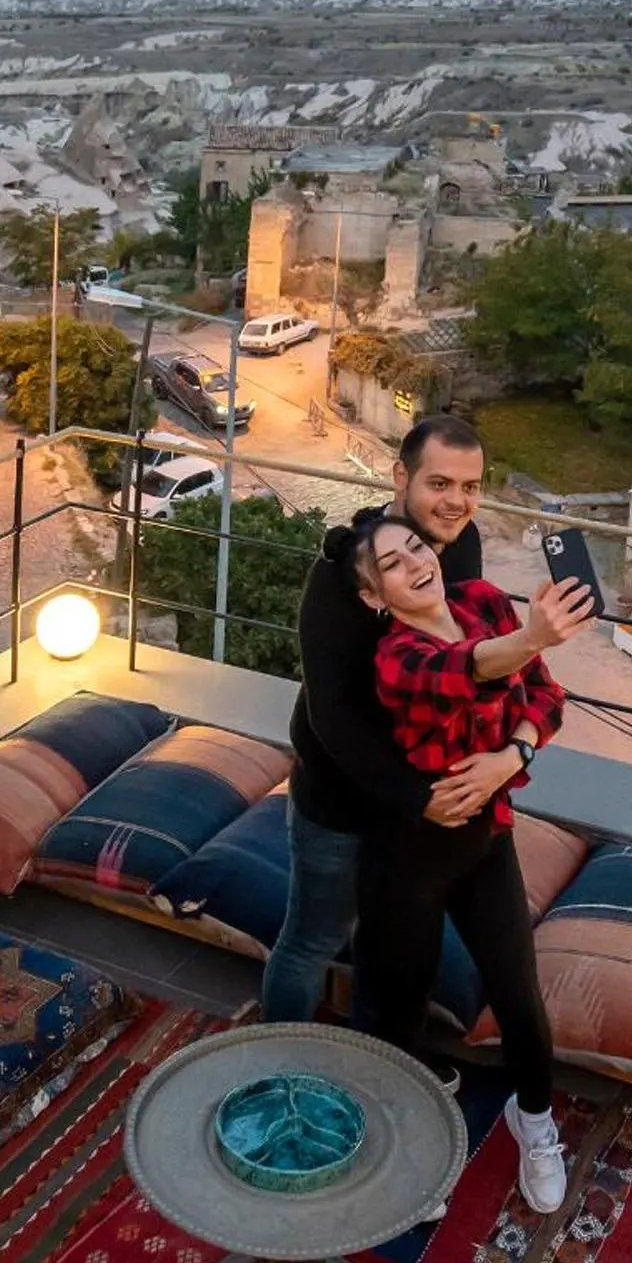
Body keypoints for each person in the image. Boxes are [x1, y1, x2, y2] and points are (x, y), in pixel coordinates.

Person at [353, 510, 591, 1211]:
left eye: (416, 547)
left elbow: (547, 696)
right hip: (408, 857)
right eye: (392, 564)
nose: (416, 562)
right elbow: (468, 669)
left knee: (519, 995)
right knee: (401, 1012)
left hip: (486, 840)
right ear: (375, 596)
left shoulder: (483, 601)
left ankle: (536, 1121)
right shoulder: (395, 656)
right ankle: (408, 1151)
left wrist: (507, 759)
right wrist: (530, 638)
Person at [264, 415, 507, 1023]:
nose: (456, 502)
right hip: (346, 799)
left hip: (419, 801)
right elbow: (332, 715)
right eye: (440, 484)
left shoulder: (463, 546)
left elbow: (467, 663)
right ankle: (271, 1059)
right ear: (402, 477)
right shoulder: (341, 575)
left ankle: (371, 1064)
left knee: (385, 945)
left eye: (471, 487)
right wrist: (416, 795)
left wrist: (504, 757)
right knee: (312, 941)